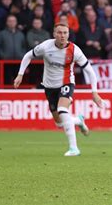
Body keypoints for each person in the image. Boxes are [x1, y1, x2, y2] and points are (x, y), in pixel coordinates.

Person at [14, 23, 104, 156]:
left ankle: (74, 148)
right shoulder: (45, 46)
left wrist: (95, 93)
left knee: (63, 110)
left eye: (65, 33)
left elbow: (90, 71)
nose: (62, 36)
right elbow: (28, 55)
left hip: (66, 83)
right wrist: (20, 74)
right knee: (59, 123)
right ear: (54, 34)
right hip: (49, 87)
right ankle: (78, 120)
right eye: (59, 33)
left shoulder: (74, 50)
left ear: (68, 34)